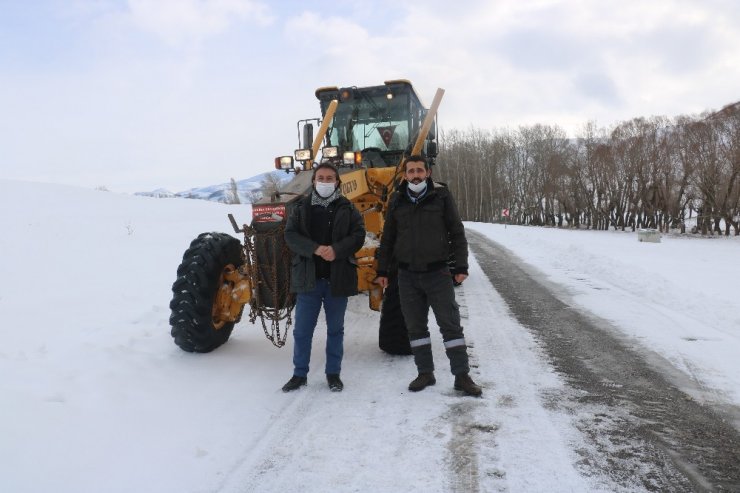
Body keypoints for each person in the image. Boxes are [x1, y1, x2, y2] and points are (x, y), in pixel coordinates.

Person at [375, 155, 482, 397]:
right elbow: (389, 237)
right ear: (404, 175)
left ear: (428, 173)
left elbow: (456, 231)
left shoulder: (441, 196)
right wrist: (382, 270)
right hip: (407, 275)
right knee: (415, 327)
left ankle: (462, 376)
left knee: (450, 325)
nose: (415, 175)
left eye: (419, 171)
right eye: (410, 171)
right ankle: (425, 372)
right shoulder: (397, 199)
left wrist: (461, 266)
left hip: (438, 272)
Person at [282, 163, 366, 392]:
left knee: (335, 330)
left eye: (330, 178)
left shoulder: (347, 208)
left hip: (336, 281)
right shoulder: (300, 207)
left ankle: (333, 374)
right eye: (321, 177)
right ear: (314, 181)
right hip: (309, 280)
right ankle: (299, 374)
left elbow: (358, 235)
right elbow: (290, 235)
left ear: (337, 182)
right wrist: (315, 248)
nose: (325, 181)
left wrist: (337, 250)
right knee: (302, 331)